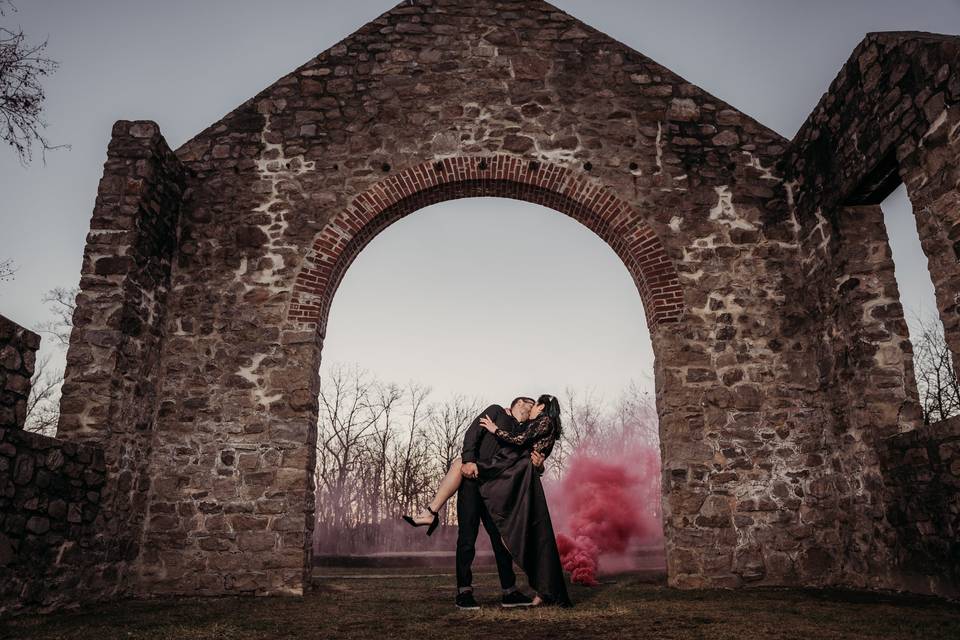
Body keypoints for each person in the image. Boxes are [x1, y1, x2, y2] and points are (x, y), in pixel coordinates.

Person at [401, 397, 545, 609]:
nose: (533, 411)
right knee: (467, 538)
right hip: (472, 483)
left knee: (501, 541)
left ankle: (509, 592)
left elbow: (528, 467)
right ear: (520, 403)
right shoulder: (497, 412)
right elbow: (471, 433)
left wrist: (539, 467)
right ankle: (464, 592)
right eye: (531, 405)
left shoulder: (525, 434)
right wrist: (468, 459)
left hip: (497, 493)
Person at [477, 393, 572, 608]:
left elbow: (520, 440)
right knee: (532, 535)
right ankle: (544, 589)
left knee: (529, 535)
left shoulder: (544, 421)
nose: (532, 409)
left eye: (536, 405)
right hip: (523, 475)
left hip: (522, 476)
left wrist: (495, 430)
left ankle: (545, 588)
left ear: (542, 407)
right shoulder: (544, 424)